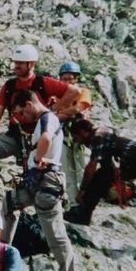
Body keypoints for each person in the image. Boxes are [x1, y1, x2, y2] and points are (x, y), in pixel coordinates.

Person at [0, 43, 80, 209]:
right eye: (15, 63)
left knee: (39, 168)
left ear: (31, 64)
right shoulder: (10, 86)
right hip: (15, 135)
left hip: (38, 137)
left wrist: (53, 110)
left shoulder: (43, 83)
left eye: (20, 63)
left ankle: (49, 202)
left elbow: (74, 91)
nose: (16, 67)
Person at [6, 90, 80, 271]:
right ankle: (1, 254)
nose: (21, 118)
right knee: (9, 202)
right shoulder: (44, 120)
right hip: (36, 182)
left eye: (21, 113)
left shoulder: (48, 119)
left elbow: (46, 138)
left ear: (29, 104)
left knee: (54, 231)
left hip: (45, 181)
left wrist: (38, 158)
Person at [64, 119, 136, 263]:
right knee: (102, 175)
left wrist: (83, 190)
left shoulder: (98, 136)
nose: (79, 142)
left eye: (77, 138)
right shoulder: (104, 131)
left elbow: (91, 166)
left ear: (83, 132)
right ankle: (82, 214)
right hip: (132, 163)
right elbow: (107, 166)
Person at [54, 61, 94, 204]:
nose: (67, 82)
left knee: (82, 167)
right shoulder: (58, 96)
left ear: (76, 79)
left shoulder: (83, 92)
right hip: (64, 136)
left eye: (70, 79)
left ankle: (86, 202)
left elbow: (79, 108)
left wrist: (60, 114)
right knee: (66, 171)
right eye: (64, 79)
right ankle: (73, 202)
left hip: (81, 137)